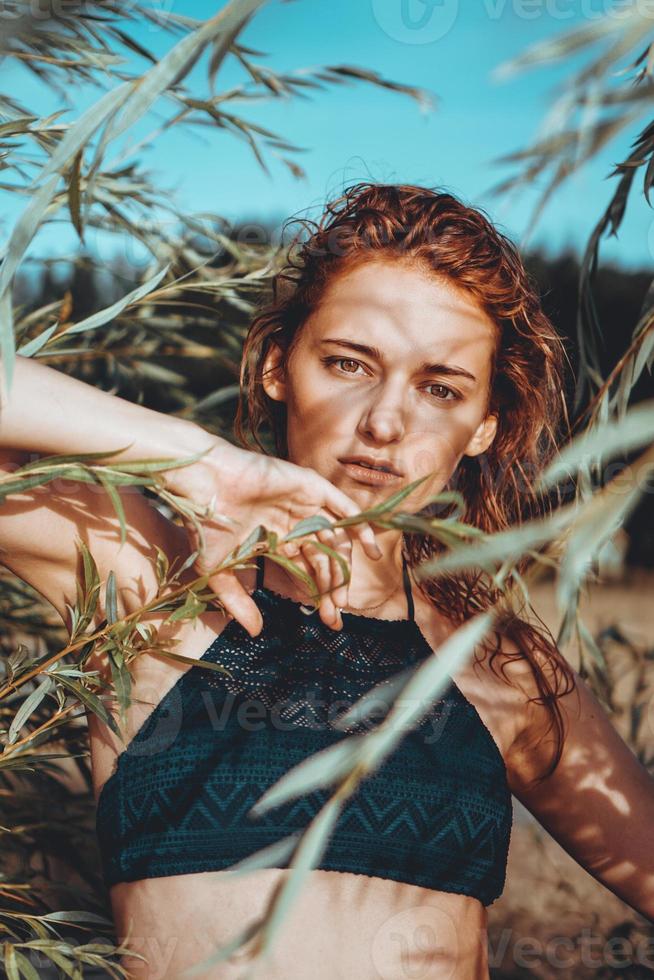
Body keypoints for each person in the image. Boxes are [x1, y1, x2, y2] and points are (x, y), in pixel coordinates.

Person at [0, 182, 652, 979]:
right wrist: (205, 463)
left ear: (484, 424)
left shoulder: (502, 667)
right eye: (349, 364)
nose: (384, 422)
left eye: (439, 387)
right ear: (279, 366)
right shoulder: (147, 583)